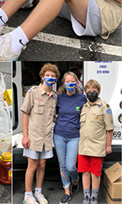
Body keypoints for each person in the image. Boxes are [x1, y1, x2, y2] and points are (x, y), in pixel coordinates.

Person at [20, 63, 59, 204]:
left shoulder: (54, 97)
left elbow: (52, 117)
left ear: (56, 79)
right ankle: (28, 195)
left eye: (53, 76)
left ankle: (38, 192)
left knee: (42, 165)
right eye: (47, 75)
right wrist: (25, 135)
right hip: (33, 136)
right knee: (32, 166)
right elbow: (25, 113)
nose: (50, 78)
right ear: (42, 77)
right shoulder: (33, 92)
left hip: (46, 138)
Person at [77, 79, 113, 204]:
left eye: (94, 91)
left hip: (97, 147)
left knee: (95, 174)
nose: (91, 93)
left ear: (98, 92)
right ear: (85, 92)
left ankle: (94, 197)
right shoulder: (84, 107)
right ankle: (86, 197)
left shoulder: (104, 107)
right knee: (85, 173)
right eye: (89, 91)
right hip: (83, 147)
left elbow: (109, 128)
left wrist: (108, 145)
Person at [53, 72, 86, 204]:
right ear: (64, 84)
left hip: (74, 136)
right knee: (62, 165)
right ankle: (67, 191)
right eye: (67, 81)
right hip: (59, 135)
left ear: (77, 83)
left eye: (72, 81)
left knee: (71, 166)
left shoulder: (82, 98)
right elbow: (51, 112)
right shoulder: (59, 97)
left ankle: (75, 180)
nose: (70, 84)